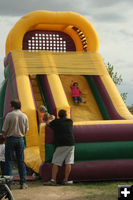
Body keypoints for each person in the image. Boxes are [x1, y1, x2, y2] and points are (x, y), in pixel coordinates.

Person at [2, 99, 29, 189]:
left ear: (12, 106)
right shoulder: (24, 116)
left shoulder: (9, 115)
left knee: (8, 161)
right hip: (20, 139)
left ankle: (8, 184)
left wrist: (5, 137)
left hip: (10, 139)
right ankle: (23, 182)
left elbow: (4, 130)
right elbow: (25, 130)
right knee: (21, 161)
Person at [44, 109, 75, 186]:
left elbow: (47, 123)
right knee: (68, 162)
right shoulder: (70, 121)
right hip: (71, 143)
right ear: (66, 115)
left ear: (58, 115)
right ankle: (66, 180)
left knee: (56, 162)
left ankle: (53, 180)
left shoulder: (56, 122)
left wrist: (52, 119)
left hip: (61, 144)